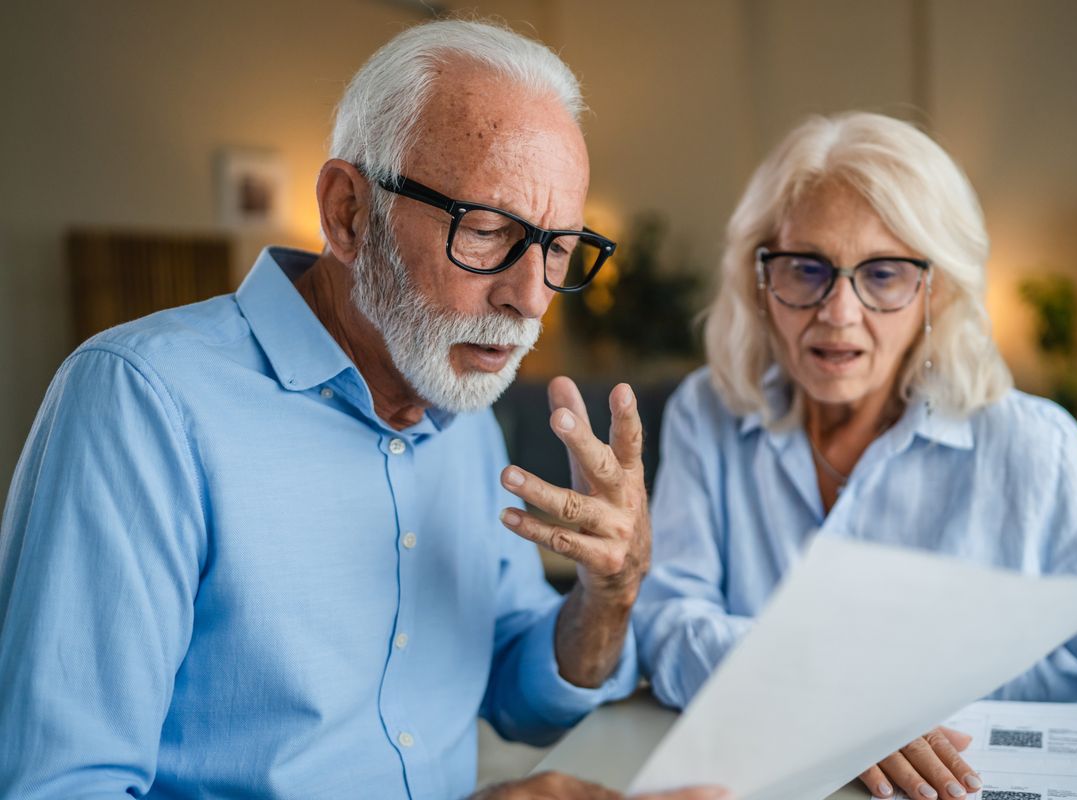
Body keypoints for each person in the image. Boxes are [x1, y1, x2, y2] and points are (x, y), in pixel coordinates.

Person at [0, 19, 724, 800]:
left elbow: (521, 697)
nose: (530, 298)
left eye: (558, 247)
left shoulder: (466, 414)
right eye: (486, 231)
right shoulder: (140, 403)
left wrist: (610, 594)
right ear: (348, 212)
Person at [633, 111, 1077, 800]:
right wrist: (820, 690)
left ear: (937, 289)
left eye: (884, 275)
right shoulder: (709, 412)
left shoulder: (1026, 445)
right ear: (760, 277)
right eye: (807, 269)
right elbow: (666, 622)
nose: (839, 312)